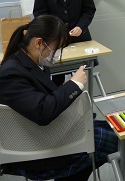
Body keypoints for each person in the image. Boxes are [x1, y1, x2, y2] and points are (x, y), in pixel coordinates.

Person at [0, 15, 118, 181]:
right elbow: (42, 112)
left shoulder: (32, 62)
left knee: (112, 128)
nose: (58, 54)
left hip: (42, 133)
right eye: (56, 49)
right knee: (112, 138)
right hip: (32, 149)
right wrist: (74, 85)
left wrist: (69, 87)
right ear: (38, 43)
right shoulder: (11, 72)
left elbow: (42, 101)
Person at [33, 0, 96, 85]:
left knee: (82, 73)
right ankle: (58, 100)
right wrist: (54, 31)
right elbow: (40, 14)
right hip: (54, 41)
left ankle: (80, 97)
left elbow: (89, 9)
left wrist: (81, 26)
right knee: (57, 74)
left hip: (80, 38)